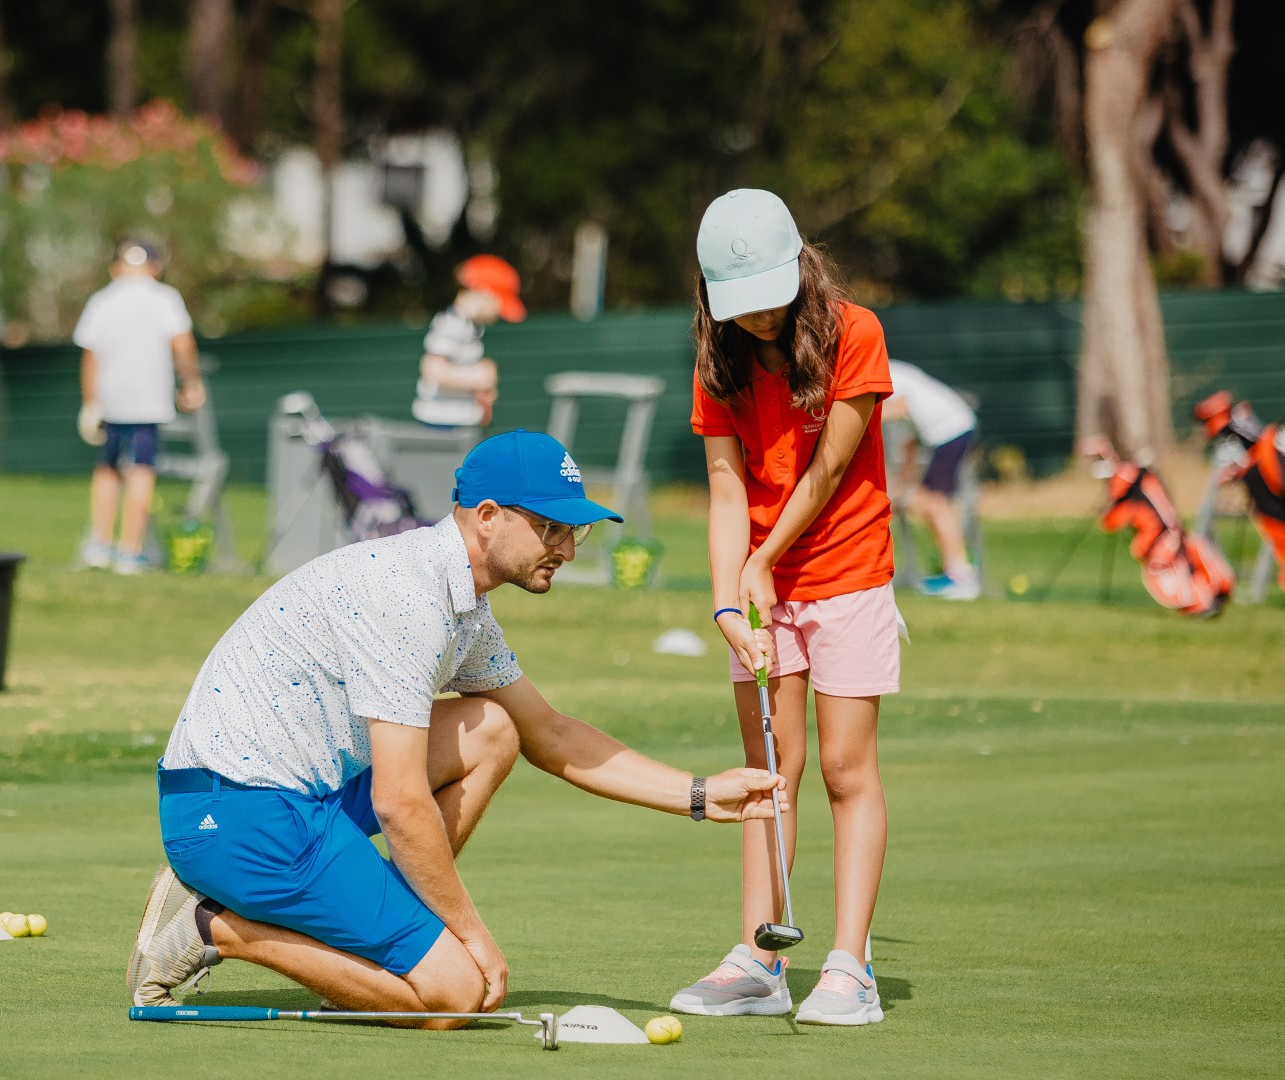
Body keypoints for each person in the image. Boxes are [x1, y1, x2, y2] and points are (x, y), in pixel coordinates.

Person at [127, 429, 787, 1023]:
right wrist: (467, 934)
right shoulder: (409, 597)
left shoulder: (460, 601)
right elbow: (399, 800)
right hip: (233, 815)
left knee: (495, 728)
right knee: (453, 996)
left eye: (573, 532)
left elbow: (548, 734)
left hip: (292, 800)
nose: (566, 549)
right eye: (551, 527)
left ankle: (364, 949)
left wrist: (700, 795)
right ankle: (214, 927)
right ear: (488, 517)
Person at [677, 189, 896, 1026]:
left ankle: (851, 969)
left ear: (800, 268)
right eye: (741, 305)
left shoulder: (857, 333)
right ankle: (760, 962)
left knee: (847, 770)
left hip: (846, 572)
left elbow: (831, 470)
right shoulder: (720, 361)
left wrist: (763, 564)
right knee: (769, 775)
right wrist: (727, 602)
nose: (759, 318)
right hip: (760, 592)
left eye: (770, 297)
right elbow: (727, 489)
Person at [73, 239, 204, 575]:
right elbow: (183, 344)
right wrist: (190, 382)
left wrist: (90, 402)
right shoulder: (165, 299)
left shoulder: (103, 300)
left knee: (107, 470)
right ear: (155, 266)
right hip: (149, 401)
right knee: (142, 471)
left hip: (111, 401)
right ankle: (129, 552)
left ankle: (100, 545)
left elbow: (90, 355)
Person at [885, 360, 979, 599]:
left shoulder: (887, 373)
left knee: (932, 502)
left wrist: (852, 413)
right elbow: (910, 446)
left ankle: (961, 576)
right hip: (948, 434)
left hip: (951, 432)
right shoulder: (896, 391)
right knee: (926, 501)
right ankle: (953, 569)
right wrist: (898, 490)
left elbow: (899, 407)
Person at [410, 255, 525, 429]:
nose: (498, 314)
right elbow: (432, 369)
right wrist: (478, 377)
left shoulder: (471, 328)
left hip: (461, 421)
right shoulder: (451, 324)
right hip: (441, 424)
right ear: (484, 293)